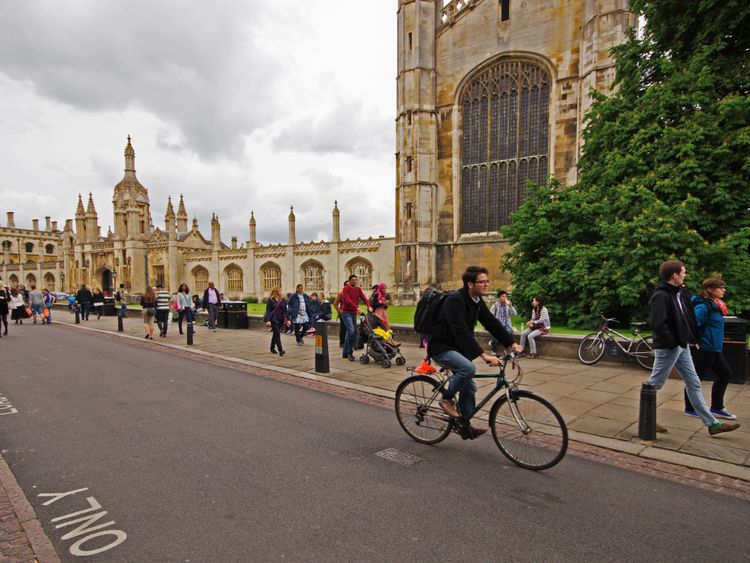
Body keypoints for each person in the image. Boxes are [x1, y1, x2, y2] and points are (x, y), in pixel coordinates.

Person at [646, 260, 739, 436]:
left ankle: (712, 424)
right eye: (683, 272)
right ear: (675, 275)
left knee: (694, 383)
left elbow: (687, 318)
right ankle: (647, 419)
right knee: (654, 384)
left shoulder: (680, 293)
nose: (685, 274)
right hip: (670, 347)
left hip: (683, 346)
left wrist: (693, 338)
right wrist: (674, 342)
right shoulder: (661, 295)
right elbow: (659, 324)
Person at [429, 266, 522, 439]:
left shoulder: (477, 302)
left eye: (487, 281)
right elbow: (461, 331)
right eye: (482, 282)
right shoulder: (455, 301)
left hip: (457, 348)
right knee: (468, 369)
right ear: (470, 284)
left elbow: (492, 323)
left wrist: (511, 343)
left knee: (469, 387)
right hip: (441, 347)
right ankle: (446, 399)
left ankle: (464, 425)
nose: (486, 285)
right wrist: (484, 355)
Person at [684, 278, 737, 420]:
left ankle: (717, 407)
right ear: (710, 290)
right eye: (720, 287)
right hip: (704, 348)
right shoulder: (703, 306)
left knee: (725, 374)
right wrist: (694, 340)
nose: (723, 290)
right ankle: (690, 408)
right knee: (695, 379)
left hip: (714, 348)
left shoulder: (716, 305)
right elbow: (691, 324)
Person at [333, 275, 372, 361]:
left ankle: (345, 353)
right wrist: (356, 308)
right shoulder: (346, 289)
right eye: (353, 280)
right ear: (349, 281)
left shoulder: (358, 289)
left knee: (349, 332)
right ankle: (349, 353)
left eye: (355, 280)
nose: (354, 281)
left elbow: (364, 298)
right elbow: (348, 301)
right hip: (346, 313)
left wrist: (369, 306)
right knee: (351, 330)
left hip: (353, 313)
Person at [489, 290, 516, 355]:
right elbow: (490, 315)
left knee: (509, 332)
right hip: (498, 324)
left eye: (506, 296)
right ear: (499, 298)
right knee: (496, 334)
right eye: (503, 296)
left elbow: (514, 314)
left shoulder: (508, 305)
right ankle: (494, 350)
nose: (505, 298)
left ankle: (494, 343)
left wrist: (511, 306)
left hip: (506, 324)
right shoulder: (495, 305)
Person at [264, 287, 286, 356]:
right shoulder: (270, 300)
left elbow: (285, 310)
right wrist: (268, 320)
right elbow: (268, 311)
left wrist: (288, 319)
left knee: (275, 334)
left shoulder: (281, 300)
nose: (281, 292)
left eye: (280, 291)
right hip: (274, 320)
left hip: (280, 320)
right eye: (279, 291)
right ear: (275, 292)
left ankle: (272, 347)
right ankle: (280, 350)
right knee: (277, 335)